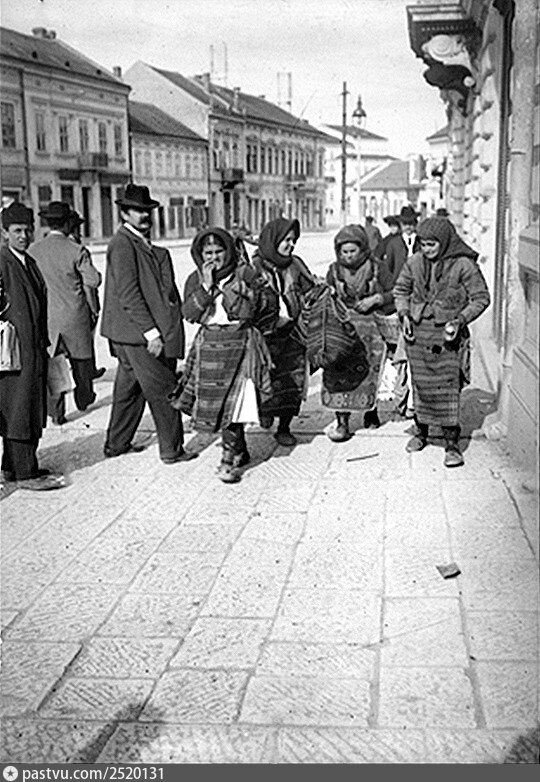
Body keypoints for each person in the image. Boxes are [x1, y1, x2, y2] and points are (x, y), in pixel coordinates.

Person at [101, 184, 197, 464]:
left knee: (129, 390)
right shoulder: (122, 244)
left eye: (146, 210)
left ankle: (116, 443)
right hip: (139, 335)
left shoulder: (140, 243)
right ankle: (172, 450)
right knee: (165, 390)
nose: (144, 215)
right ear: (124, 213)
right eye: (137, 210)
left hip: (130, 334)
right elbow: (128, 293)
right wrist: (151, 333)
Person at [393, 217, 490, 467]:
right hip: (417, 335)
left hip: (449, 337)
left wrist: (460, 320)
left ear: (445, 241)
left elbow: (481, 298)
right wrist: (404, 314)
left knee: (448, 388)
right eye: (423, 244)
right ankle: (421, 433)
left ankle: (452, 444)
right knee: (421, 386)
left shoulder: (463, 265)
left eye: (432, 245)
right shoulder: (414, 262)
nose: (427, 250)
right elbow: (401, 291)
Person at [179, 227, 273, 483]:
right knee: (219, 407)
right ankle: (239, 449)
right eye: (207, 253)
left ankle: (228, 459)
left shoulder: (245, 273)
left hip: (240, 345)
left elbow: (270, 304)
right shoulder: (195, 279)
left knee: (236, 405)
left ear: (229, 251)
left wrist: (250, 298)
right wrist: (206, 287)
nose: (214, 258)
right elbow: (189, 314)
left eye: (219, 251)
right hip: (210, 347)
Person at [0, 203, 64, 490]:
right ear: (4, 233)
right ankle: (26, 474)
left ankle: (13, 468)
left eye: (27, 230)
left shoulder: (28, 261)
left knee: (24, 405)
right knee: (19, 407)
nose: (23, 236)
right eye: (17, 231)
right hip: (14, 351)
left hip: (32, 348)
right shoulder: (3, 262)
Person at [29, 201, 101, 425]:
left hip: (48, 319)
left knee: (54, 365)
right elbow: (93, 281)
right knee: (82, 362)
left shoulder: (33, 250)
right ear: (68, 223)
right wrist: (93, 308)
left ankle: (57, 412)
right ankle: (84, 398)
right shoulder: (76, 250)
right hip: (75, 317)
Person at [321, 224, 394, 441]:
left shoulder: (377, 268)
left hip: (370, 331)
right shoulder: (334, 271)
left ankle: (370, 412)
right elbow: (325, 295)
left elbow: (396, 291)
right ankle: (342, 422)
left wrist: (377, 299)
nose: (348, 256)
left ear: (362, 249)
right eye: (344, 252)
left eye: (353, 251)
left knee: (369, 372)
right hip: (341, 331)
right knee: (338, 373)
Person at [251, 217, 316, 446]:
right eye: (286, 240)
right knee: (265, 380)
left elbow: (310, 289)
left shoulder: (296, 265)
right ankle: (265, 411)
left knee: (292, 382)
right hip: (264, 336)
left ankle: (284, 427)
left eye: (293, 240)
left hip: (293, 335)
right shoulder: (254, 267)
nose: (291, 244)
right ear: (273, 239)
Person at [384, 204, 422, 419]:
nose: (408, 227)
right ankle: (401, 393)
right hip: (399, 297)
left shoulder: (421, 242)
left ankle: (412, 401)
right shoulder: (393, 244)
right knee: (399, 348)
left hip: (417, 298)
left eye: (411, 223)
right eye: (405, 224)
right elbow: (388, 270)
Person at [67, 209, 106, 380]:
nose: (80, 233)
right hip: (82, 304)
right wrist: (93, 308)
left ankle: (89, 369)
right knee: (86, 341)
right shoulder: (78, 249)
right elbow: (90, 283)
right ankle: (89, 371)